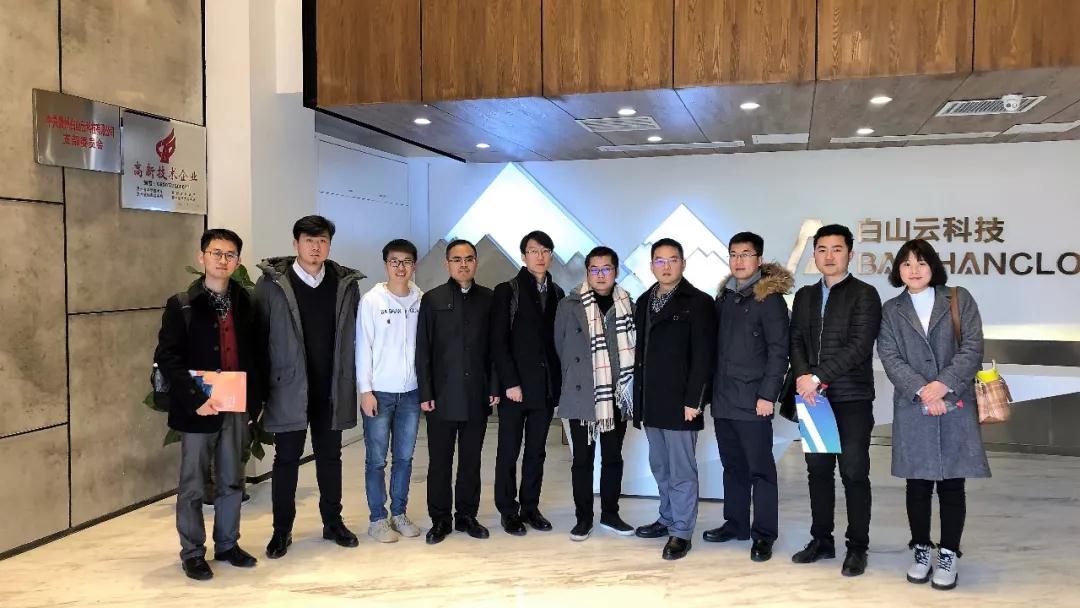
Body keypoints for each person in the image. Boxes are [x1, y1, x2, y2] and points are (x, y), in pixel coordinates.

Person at [876, 238, 990, 591]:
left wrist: (942, 385)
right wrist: (924, 390)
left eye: (921, 263)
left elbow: (972, 346)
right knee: (918, 484)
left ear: (933, 267)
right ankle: (921, 549)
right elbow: (890, 356)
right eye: (906, 264)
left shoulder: (958, 298)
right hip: (914, 406)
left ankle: (949, 553)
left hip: (955, 404)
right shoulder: (891, 310)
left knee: (953, 484)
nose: (914, 270)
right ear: (898, 270)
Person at [154, 228, 261, 580]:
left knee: (232, 480)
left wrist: (255, 402)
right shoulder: (182, 303)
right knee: (193, 485)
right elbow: (168, 357)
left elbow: (256, 354)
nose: (223, 260)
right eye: (216, 253)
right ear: (202, 257)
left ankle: (228, 545)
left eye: (230, 255)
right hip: (199, 407)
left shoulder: (246, 302)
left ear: (238, 261)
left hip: (235, 404)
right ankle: (193, 552)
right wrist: (195, 400)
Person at [256, 215, 364, 559]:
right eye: (309, 240)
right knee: (286, 459)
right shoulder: (272, 285)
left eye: (322, 241)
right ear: (296, 244)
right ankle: (281, 531)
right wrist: (260, 393)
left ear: (329, 244)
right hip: (288, 388)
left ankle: (333, 522)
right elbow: (258, 339)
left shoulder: (345, 284)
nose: (316, 247)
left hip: (331, 387)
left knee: (331, 457)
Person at [789, 224, 881, 576]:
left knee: (854, 472)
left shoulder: (864, 294)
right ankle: (821, 540)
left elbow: (859, 347)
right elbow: (796, 339)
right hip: (814, 400)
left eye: (837, 249)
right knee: (818, 472)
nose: (829, 256)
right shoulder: (805, 296)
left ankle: (857, 547)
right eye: (822, 249)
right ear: (814, 254)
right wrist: (803, 377)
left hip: (852, 398)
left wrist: (816, 378)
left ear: (850, 254)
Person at [702, 232, 792, 562]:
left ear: (759, 259)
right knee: (733, 466)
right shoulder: (724, 297)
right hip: (724, 398)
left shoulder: (770, 299)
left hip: (754, 400)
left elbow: (779, 352)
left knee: (760, 470)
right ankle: (736, 523)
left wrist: (768, 394)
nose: (739, 261)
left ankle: (764, 534)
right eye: (734, 254)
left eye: (746, 254)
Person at [632, 238, 717, 561]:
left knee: (682, 470)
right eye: (659, 260)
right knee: (660, 466)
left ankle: (681, 532)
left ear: (683, 263)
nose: (665, 266)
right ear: (651, 265)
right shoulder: (644, 300)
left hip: (682, 403)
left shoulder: (699, 302)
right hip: (651, 400)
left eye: (672, 260)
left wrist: (695, 400)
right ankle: (667, 518)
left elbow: (704, 356)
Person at [416, 239, 501, 544]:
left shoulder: (488, 299)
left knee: (471, 460)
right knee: (440, 462)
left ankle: (466, 516)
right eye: (456, 259)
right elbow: (422, 349)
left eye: (468, 259)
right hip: (441, 396)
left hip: (477, 394)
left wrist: (494, 386)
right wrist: (425, 392)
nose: (463, 264)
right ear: (447, 264)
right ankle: (440, 519)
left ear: (476, 262)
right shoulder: (432, 299)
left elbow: (495, 348)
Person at [554, 246, 637, 541]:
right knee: (582, 460)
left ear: (616, 271)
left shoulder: (628, 304)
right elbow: (560, 347)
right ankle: (583, 518)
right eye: (595, 269)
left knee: (613, 458)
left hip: (616, 395)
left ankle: (611, 514)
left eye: (607, 269)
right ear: (587, 272)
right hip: (582, 394)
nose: (601, 275)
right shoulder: (569, 305)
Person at [491, 230, 565, 535]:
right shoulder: (507, 290)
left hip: (544, 389)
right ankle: (508, 511)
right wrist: (509, 382)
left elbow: (558, 343)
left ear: (551, 256)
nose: (540, 256)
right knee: (509, 451)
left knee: (537, 451)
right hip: (514, 388)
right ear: (524, 256)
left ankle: (530, 507)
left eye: (545, 251)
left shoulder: (558, 293)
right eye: (534, 251)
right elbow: (498, 342)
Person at [356, 239, 424, 543]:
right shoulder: (372, 300)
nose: (400, 267)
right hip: (379, 393)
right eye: (394, 261)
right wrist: (365, 390)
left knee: (405, 458)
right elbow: (363, 347)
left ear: (414, 265)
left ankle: (399, 513)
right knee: (376, 460)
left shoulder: (421, 299)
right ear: (386, 265)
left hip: (411, 392)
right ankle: (377, 518)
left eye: (406, 261)